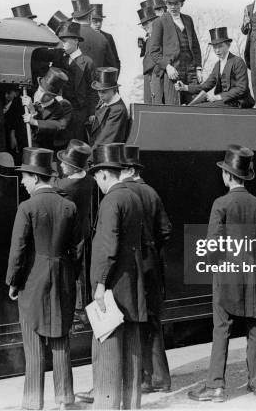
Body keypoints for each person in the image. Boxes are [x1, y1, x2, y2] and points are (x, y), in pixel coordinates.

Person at [188, 145, 256, 402]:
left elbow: (212, 243)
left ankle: (216, 387)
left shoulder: (221, 203)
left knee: (221, 328)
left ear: (227, 176)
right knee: (255, 326)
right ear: (245, 176)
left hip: (227, 275)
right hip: (255, 274)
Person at [6, 147, 82, 410]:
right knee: (61, 341)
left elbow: (18, 250)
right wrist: (71, 274)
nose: (23, 183)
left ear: (36, 177)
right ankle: (65, 400)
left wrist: (13, 282)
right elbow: (78, 247)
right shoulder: (69, 206)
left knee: (33, 345)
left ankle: (32, 403)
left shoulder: (27, 207)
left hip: (32, 282)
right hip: (62, 279)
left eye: (25, 178)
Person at [87, 143, 147, 409]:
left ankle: (107, 406)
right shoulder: (134, 196)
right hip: (133, 281)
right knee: (133, 347)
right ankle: (131, 405)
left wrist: (100, 284)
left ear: (103, 173)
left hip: (113, 285)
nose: (97, 183)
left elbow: (107, 246)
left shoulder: (111, 200)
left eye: (96, 177)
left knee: (109, 348)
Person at [121, 145, 173, 394]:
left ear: (129, 169)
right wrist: (151, 249)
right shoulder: (151, 192)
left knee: (133, 320)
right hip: (151, 263)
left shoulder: (122, 193)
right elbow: (166, 230)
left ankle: (142, 377)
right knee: (152, 320)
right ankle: (161, 378)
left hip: (132, 266)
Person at [54, 139, 97, 311]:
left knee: (70, 273)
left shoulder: (66, 185)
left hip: (70, 236)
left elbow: (51, 186)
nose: (61, 166)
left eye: (65, 164)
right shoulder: (89, 179)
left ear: (74, 167)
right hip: (83, 231)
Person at [38, 22, 97, 141]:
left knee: (76, 139)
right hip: (61, 108)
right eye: (61, 41)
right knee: (60, 139)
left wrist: (91, 112)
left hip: (79, 111)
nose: (62, 44)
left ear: (76, 41)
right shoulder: (60, 58)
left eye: (65, 41)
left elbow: (92, 90)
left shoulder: (87, 62)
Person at [149, 0, 202, 105]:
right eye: (170, 4)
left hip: (191, 73)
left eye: (176, 3)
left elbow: (195, 47)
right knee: (174, 107)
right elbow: (153, 51)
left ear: (181, 4)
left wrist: (198, 68)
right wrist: (167, 67)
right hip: (173, 73)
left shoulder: (188, 20)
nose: (173, 7)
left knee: (196, 105)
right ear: (166, 4)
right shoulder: (159, 22)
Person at [176, 27, 254, 108]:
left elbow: (241, 88)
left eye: (220, 46)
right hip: (225, 102)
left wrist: (218, 97)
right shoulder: (217, 65)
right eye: (215, 47)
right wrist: (185, 87)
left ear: (228, 45)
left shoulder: (238, 61)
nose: (217, 50)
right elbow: (206, 86)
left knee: (200, 108)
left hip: (239, 102)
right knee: (196, 106)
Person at [20, 68, 73, 152]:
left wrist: (33, 112)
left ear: (54, 96)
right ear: (38, 85)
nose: (41, 96)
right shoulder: (26, 93)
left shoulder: (58, 110)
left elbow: (39, 136)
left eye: (47, 95)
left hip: (36, 151)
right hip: (20, 143)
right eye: (41, 90)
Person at [87, 67, 129, 147]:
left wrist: (90, 158)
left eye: (104, 92)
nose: (100, 95)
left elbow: (106, 139)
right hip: (95, 146)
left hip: (106, 153)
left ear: (114, 89)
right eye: (99, 91)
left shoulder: (118, 110)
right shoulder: (105, 100)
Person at [138, 6, 163, 104]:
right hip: (149, 75)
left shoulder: (160, 36)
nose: (144, 27)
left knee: (156, 103)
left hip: (156, 74)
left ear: (155, 21)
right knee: (149, 103)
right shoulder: (149, 38)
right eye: (143, 24)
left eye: (146, 23)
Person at [91, 4, 121, 74]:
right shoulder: (83, 37)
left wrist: (114, 78)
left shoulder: (108, 37)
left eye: (100, 21)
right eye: (95, 21)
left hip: (105, 79)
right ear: (89, 21)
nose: (98, 24)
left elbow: (116, 61)